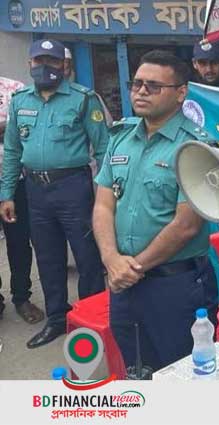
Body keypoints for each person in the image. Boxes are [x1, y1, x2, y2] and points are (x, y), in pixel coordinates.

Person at [93, 50, 218, 371]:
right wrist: (111, 260)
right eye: (136, 84)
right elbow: (104, 204)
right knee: (137, 369)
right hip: (123, 284)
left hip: (175, 288)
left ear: (181, 93)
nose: (141, 91)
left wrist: (130, 269)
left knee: (183, 374)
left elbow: (186, 225)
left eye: (153, 86)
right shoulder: (121, 139)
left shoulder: (198, 148)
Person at [1, 39, 108, 348]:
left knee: (87, 258)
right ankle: (57, 320)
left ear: (65, 65)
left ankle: (92, 322)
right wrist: (6, 194)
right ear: (29, 64)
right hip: (35, 190)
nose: (45, 67)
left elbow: (103, 150)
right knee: (48, 259)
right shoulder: (20, 100)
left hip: (74, 187)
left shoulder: (84, 99)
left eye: (52, 61)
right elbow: (12, 151)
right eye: (39, 61)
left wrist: (105, 196)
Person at [0, 115, 42, 325]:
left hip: (16, 184)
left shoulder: (14, 93)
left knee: (18, 244)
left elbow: (25, 133)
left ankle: (21, 297)